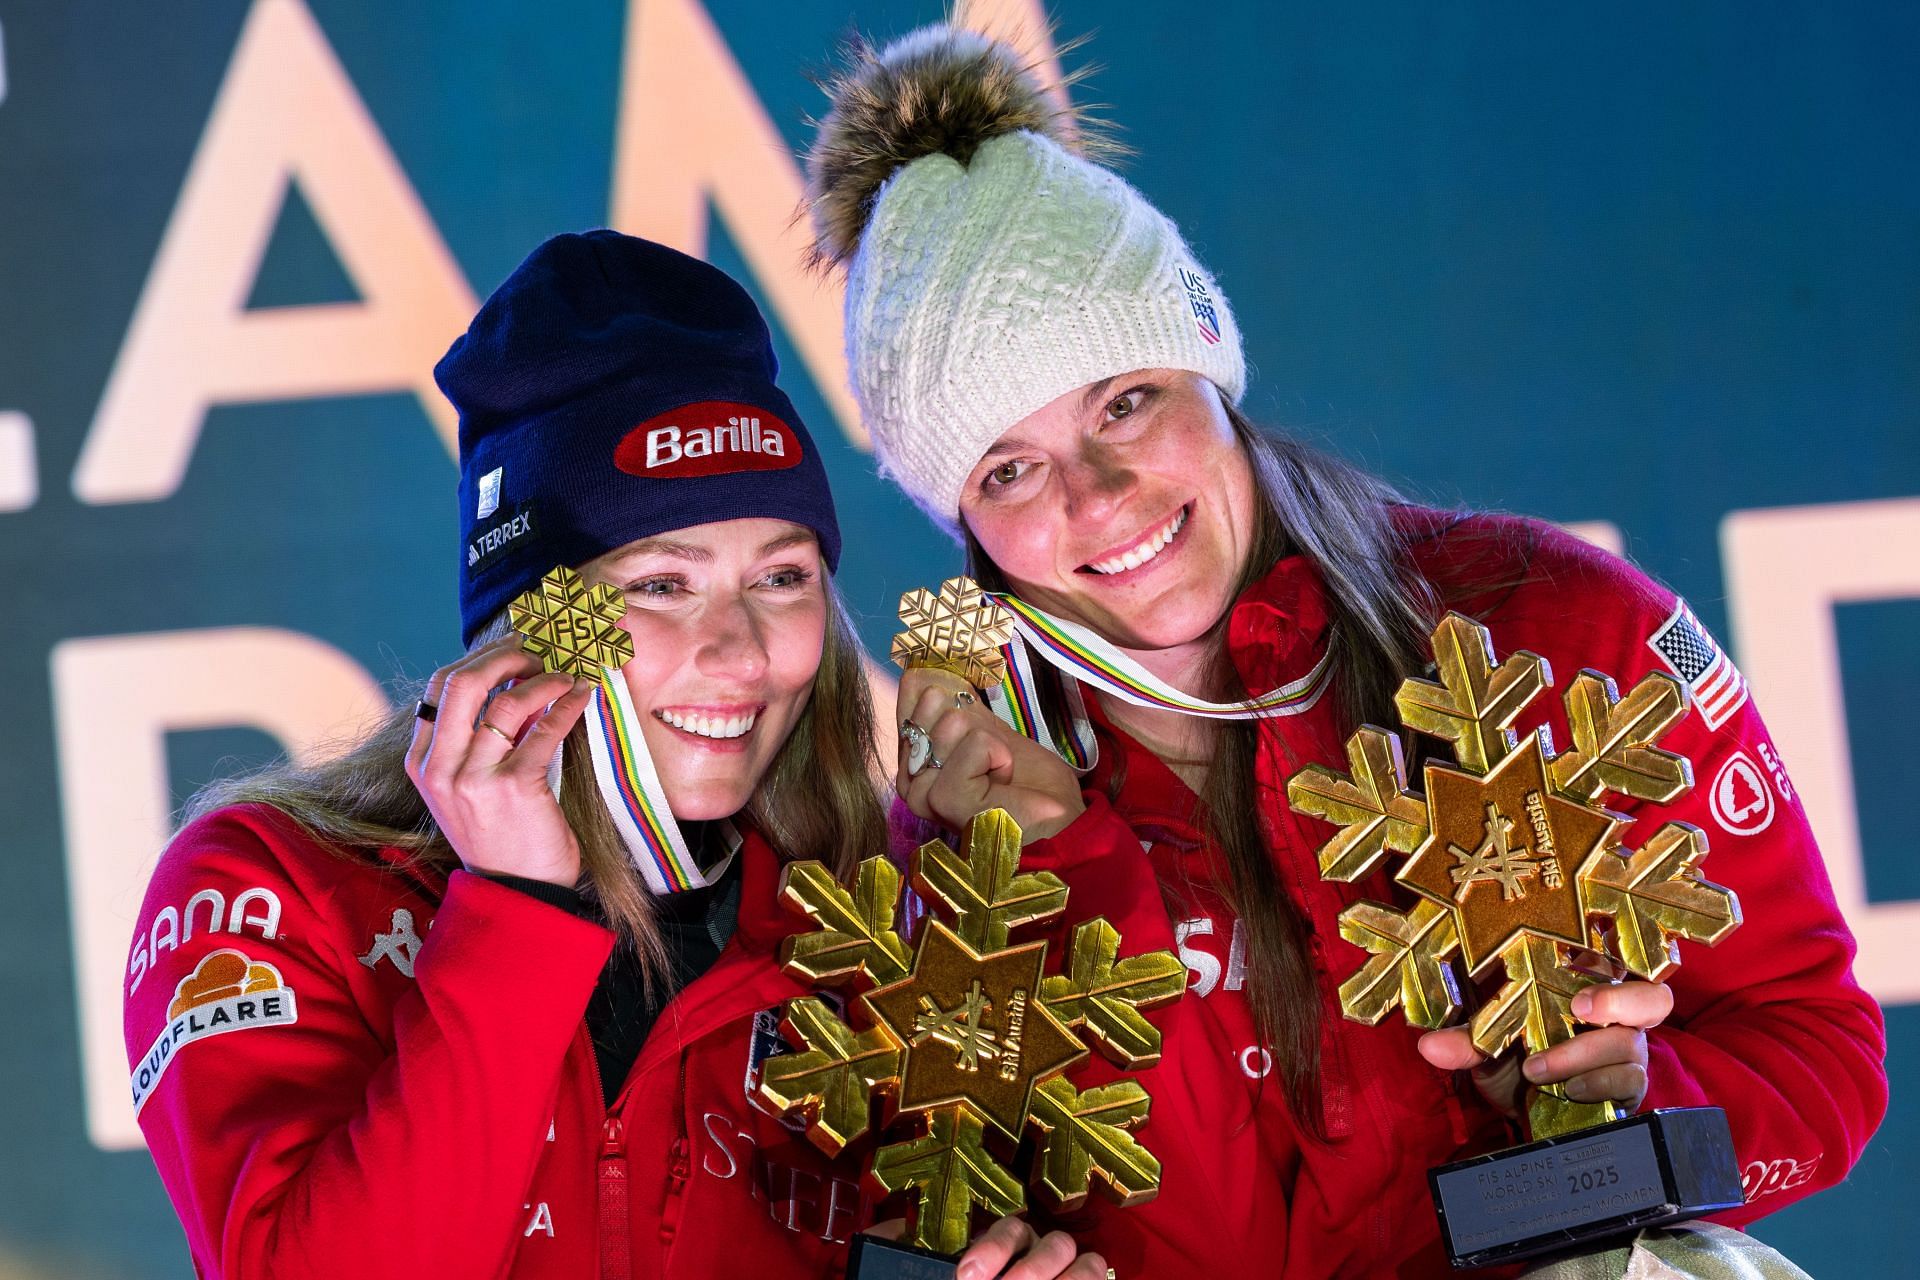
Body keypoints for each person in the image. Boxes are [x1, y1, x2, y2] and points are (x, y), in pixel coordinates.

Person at [804, 25, 1888, 1279]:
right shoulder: (949, 846)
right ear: (964, 521)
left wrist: (1646, 1113)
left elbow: (1821, 1054)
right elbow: (902, 1216)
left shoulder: (1553, 629)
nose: (1099, 496)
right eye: (1010, 467)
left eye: (1125, 401)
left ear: (1210, 362)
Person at [122, 231, 1105, 1280]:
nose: (739, 652)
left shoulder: (855, 919)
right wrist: (515, 909)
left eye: (782, 577)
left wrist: (1058, 864)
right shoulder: (272, 886)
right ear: (530, 622)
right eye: (659, 585)